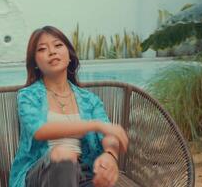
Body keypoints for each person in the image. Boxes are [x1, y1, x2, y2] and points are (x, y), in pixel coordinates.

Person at [9, 26, 128, 187]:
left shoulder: (89, 100)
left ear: (70, 56)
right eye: (42, 49)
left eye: (58, 45)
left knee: (101, 174)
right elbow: (39, 130)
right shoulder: (28, 96)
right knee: (64, 153)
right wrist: (95, 125)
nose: (52, 52)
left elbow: (109, 135)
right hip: (40, 176)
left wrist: (110, 155)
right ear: (35, 63)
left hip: (84, 174)